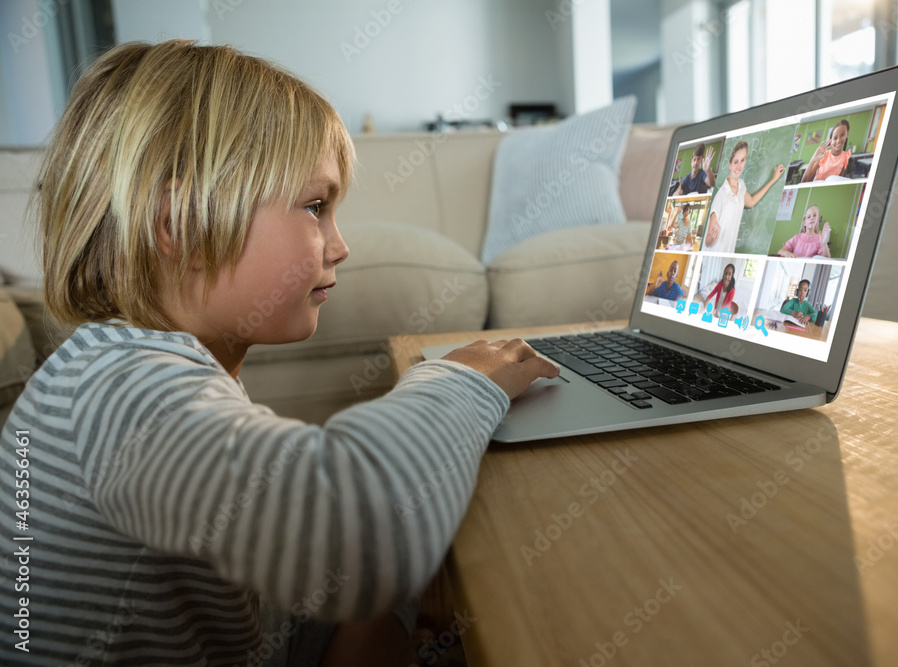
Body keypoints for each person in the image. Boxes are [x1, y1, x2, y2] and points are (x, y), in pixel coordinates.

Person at [0, 41, 558, 666]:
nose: (339, 245)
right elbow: (361, 537)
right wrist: (459, 381)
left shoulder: (127, 364)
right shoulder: (121, 387)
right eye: (316, 207)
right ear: (180, 221)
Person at [705, 141, 785, 254]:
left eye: (742, 160)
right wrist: (713, 235)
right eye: (735, 162)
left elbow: (751, 202)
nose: (739, 166)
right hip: (716, 252)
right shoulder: (721, 195)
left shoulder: (741, 186)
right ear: (730, 164)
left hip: (729, 251)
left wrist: (773, 180)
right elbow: (707, 243)